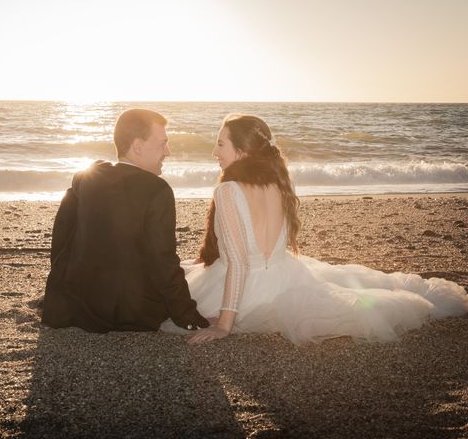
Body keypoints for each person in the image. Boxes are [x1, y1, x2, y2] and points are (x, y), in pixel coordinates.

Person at [161, 113, 468, 344]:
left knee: (165, 305)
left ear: (242, 151)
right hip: (286, 278)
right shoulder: (278, 184)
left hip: (246, 293)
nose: (215, 152)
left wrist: (224, 324)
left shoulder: (228, 191)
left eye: (220, 143)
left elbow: (239, 263)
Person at [42, 109, 209, 332]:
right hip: (130, 313)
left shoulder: (85, 178)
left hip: (77, 306)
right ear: (137, 147)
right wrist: (188, 316)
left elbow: (62, 235)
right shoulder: (157, 190)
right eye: (162, 144)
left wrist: (59, 293)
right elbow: (163, 260)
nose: (167, 151)